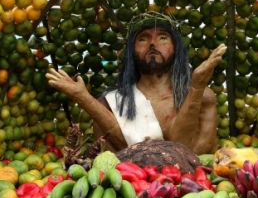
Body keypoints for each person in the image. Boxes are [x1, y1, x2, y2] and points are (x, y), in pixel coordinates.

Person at [45, 15, 226, 155]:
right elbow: (119, 158)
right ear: (131, 52)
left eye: (163, 38)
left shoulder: (203, 97)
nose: (153, 44)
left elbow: (192, 156)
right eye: (142, 39)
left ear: (176, 49)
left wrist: (196, 88)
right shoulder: (111, 103)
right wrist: (83, 98)